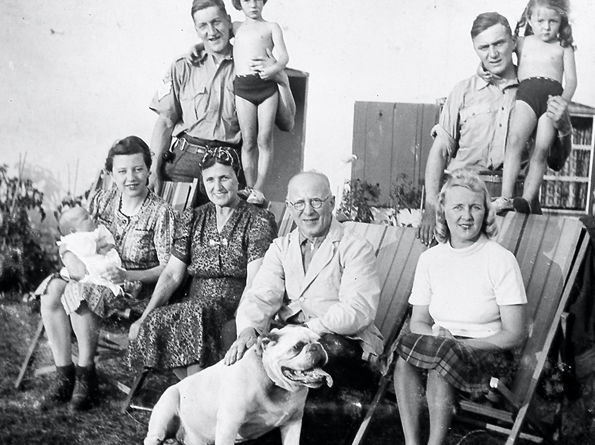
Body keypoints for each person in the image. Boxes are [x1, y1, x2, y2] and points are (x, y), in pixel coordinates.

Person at [37, 136, 177, 411]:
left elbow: (168, 269)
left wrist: (127, 276)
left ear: (149, 169)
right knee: (51, 288)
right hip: (92, 276)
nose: (131, 178)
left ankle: (86, 376)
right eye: (122, 171)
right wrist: (68, 256)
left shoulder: (162, 213)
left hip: (132, 292)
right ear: (112, 175)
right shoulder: (102, 199)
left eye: (138, 169)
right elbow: (74, 235)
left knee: (80, 293)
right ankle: (64, 375)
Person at [394, 169, 527, 445]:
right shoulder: (430, 259)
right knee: (405, 356)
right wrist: (441, 338)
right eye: (458, 207)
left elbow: (516, 333)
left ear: (486, 213)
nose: (466, 216)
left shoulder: (500, 260)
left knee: (441, 360)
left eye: (475, 207)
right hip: (442, 345)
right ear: (443, 212)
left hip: (488, 353)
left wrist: (461, 345)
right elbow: (418, 321)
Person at [417, 12, 572, 246]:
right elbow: (439, 152)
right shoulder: (462, 92)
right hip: (465, 197)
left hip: (516, 204)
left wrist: (564, 128)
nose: (493, 53)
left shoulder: (536, 90)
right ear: (475, 49)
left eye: (499, 43)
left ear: (513, 41)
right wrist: (430, 205)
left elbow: (556, 162)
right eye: (484, 47)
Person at [127, 147, 277, 379]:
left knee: (196, 316)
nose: (217, 187)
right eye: (210, 180)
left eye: (224, 177)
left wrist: (243, 318)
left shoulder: (257, 219)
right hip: (194, 306)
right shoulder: (193, 217)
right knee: (164, 317)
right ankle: (196, 392)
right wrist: (145, 315)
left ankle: (195, 395)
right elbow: (172, 275)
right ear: (203, 183)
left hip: (234, 306)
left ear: (238, 178)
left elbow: (254, 280)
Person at [224, 171, 384, 385]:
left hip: (341, 337)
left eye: (316, 201)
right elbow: (261, 296)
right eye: (299, 203)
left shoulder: (355, 247)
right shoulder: (281, 248)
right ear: (289, 207)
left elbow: (357, 309)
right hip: (293, 338)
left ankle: (303, 414)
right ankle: (257, 411)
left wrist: (307, 330)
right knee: (234, 334)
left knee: (321, 350)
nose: (308, 211)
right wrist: (249, 329)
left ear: (332, 203)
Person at [149, 0, 296, 203]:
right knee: (173, 229)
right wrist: (153, 170)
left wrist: (283, 81)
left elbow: (288, 122)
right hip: (184, 163)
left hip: (229, 168)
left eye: (216, 22)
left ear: (229, 21)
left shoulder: (251, 63)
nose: (211, 32)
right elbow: (164, 122)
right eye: (203, 26)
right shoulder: (183, 66)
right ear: (196, 30)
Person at [495, 0, 577, 215]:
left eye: (553, 21)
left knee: (541, 149)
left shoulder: (563, 46)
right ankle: (506, 196)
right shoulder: (521, 42)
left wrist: (562, 102)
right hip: (527, 95)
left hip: (552, 100)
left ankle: (527, 200)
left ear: (562, 22)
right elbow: (499, 55)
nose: (547, 27)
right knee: (514, 140)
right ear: (529, 19)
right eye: (540, 21)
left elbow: (571, 80)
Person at [231, 0, 290, 206]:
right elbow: (214, 38)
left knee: (264, 139)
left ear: (264, 0)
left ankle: (259, 188)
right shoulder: (235, 27)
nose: (253, 5)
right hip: (243, 88)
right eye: (247, 0)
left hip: (266, 87)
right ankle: (248, 186)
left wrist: (273, 69)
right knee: (248, 141)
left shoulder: (271, 26)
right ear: (239, 2)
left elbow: (284, 56)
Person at [56, 206, 124, 297]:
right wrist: (99, 244)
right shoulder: (74, 238)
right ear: (73, 230)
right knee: (93, 276)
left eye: (89, 215)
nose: (92, 217)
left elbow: (110, 239)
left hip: (102, 259)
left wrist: (106, 247)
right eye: (86, 218)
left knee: (108, 271)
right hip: (86, 264)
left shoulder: (99, 229)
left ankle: (119, 293)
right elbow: (85, 250)